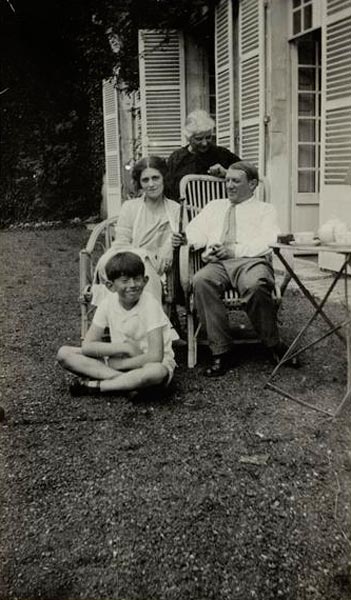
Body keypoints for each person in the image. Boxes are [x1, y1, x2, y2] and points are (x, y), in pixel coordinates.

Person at [172, 160, 297, 377]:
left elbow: (268, 241)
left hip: (251, 261)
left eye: (236, 181)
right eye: (227, 180)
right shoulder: (214, 206)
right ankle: (221, 351)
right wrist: (185, 238)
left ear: (252, 185)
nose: (229, 185)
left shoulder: (265, 210)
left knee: (255, 285)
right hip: (218, 263)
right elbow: (197, 232)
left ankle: (273, 343)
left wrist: (235, 251)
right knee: (202, 281)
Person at [57, 252, 177, 396]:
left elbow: (155, 356)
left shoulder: (150, 304)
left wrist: (120, 365)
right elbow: (88, 346)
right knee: (64, 353)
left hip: (149, 363)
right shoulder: (107, 303)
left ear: (145, 281)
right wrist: (125, 348)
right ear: (110, 286)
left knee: (156, 372)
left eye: (137, 279)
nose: (132, 285)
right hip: (121, 359)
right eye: (125, 281)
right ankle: (129, 384)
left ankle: (97, 386)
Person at [92, 156, 180, 306]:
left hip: (159, 266)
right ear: (140, 183)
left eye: (155, 178)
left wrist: (170, 246)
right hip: (125, 261)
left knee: (145, 266)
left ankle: (147, 321)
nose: (151, 184)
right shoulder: (130, 207)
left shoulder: (175, 209)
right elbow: (121, 243)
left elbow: (175, 241)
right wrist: (140, 256)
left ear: (164, 178)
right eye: (145, 180)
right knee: (135, 263)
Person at [165, 109, 240, 200]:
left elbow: (250, 174)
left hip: (217, 211)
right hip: (186, 211)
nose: (204, 143)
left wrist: (227, 173)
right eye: (199, 139)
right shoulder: (176, 158)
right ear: (189, 138)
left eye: (208, 137)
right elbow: (168, 191)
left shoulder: (221, 154)